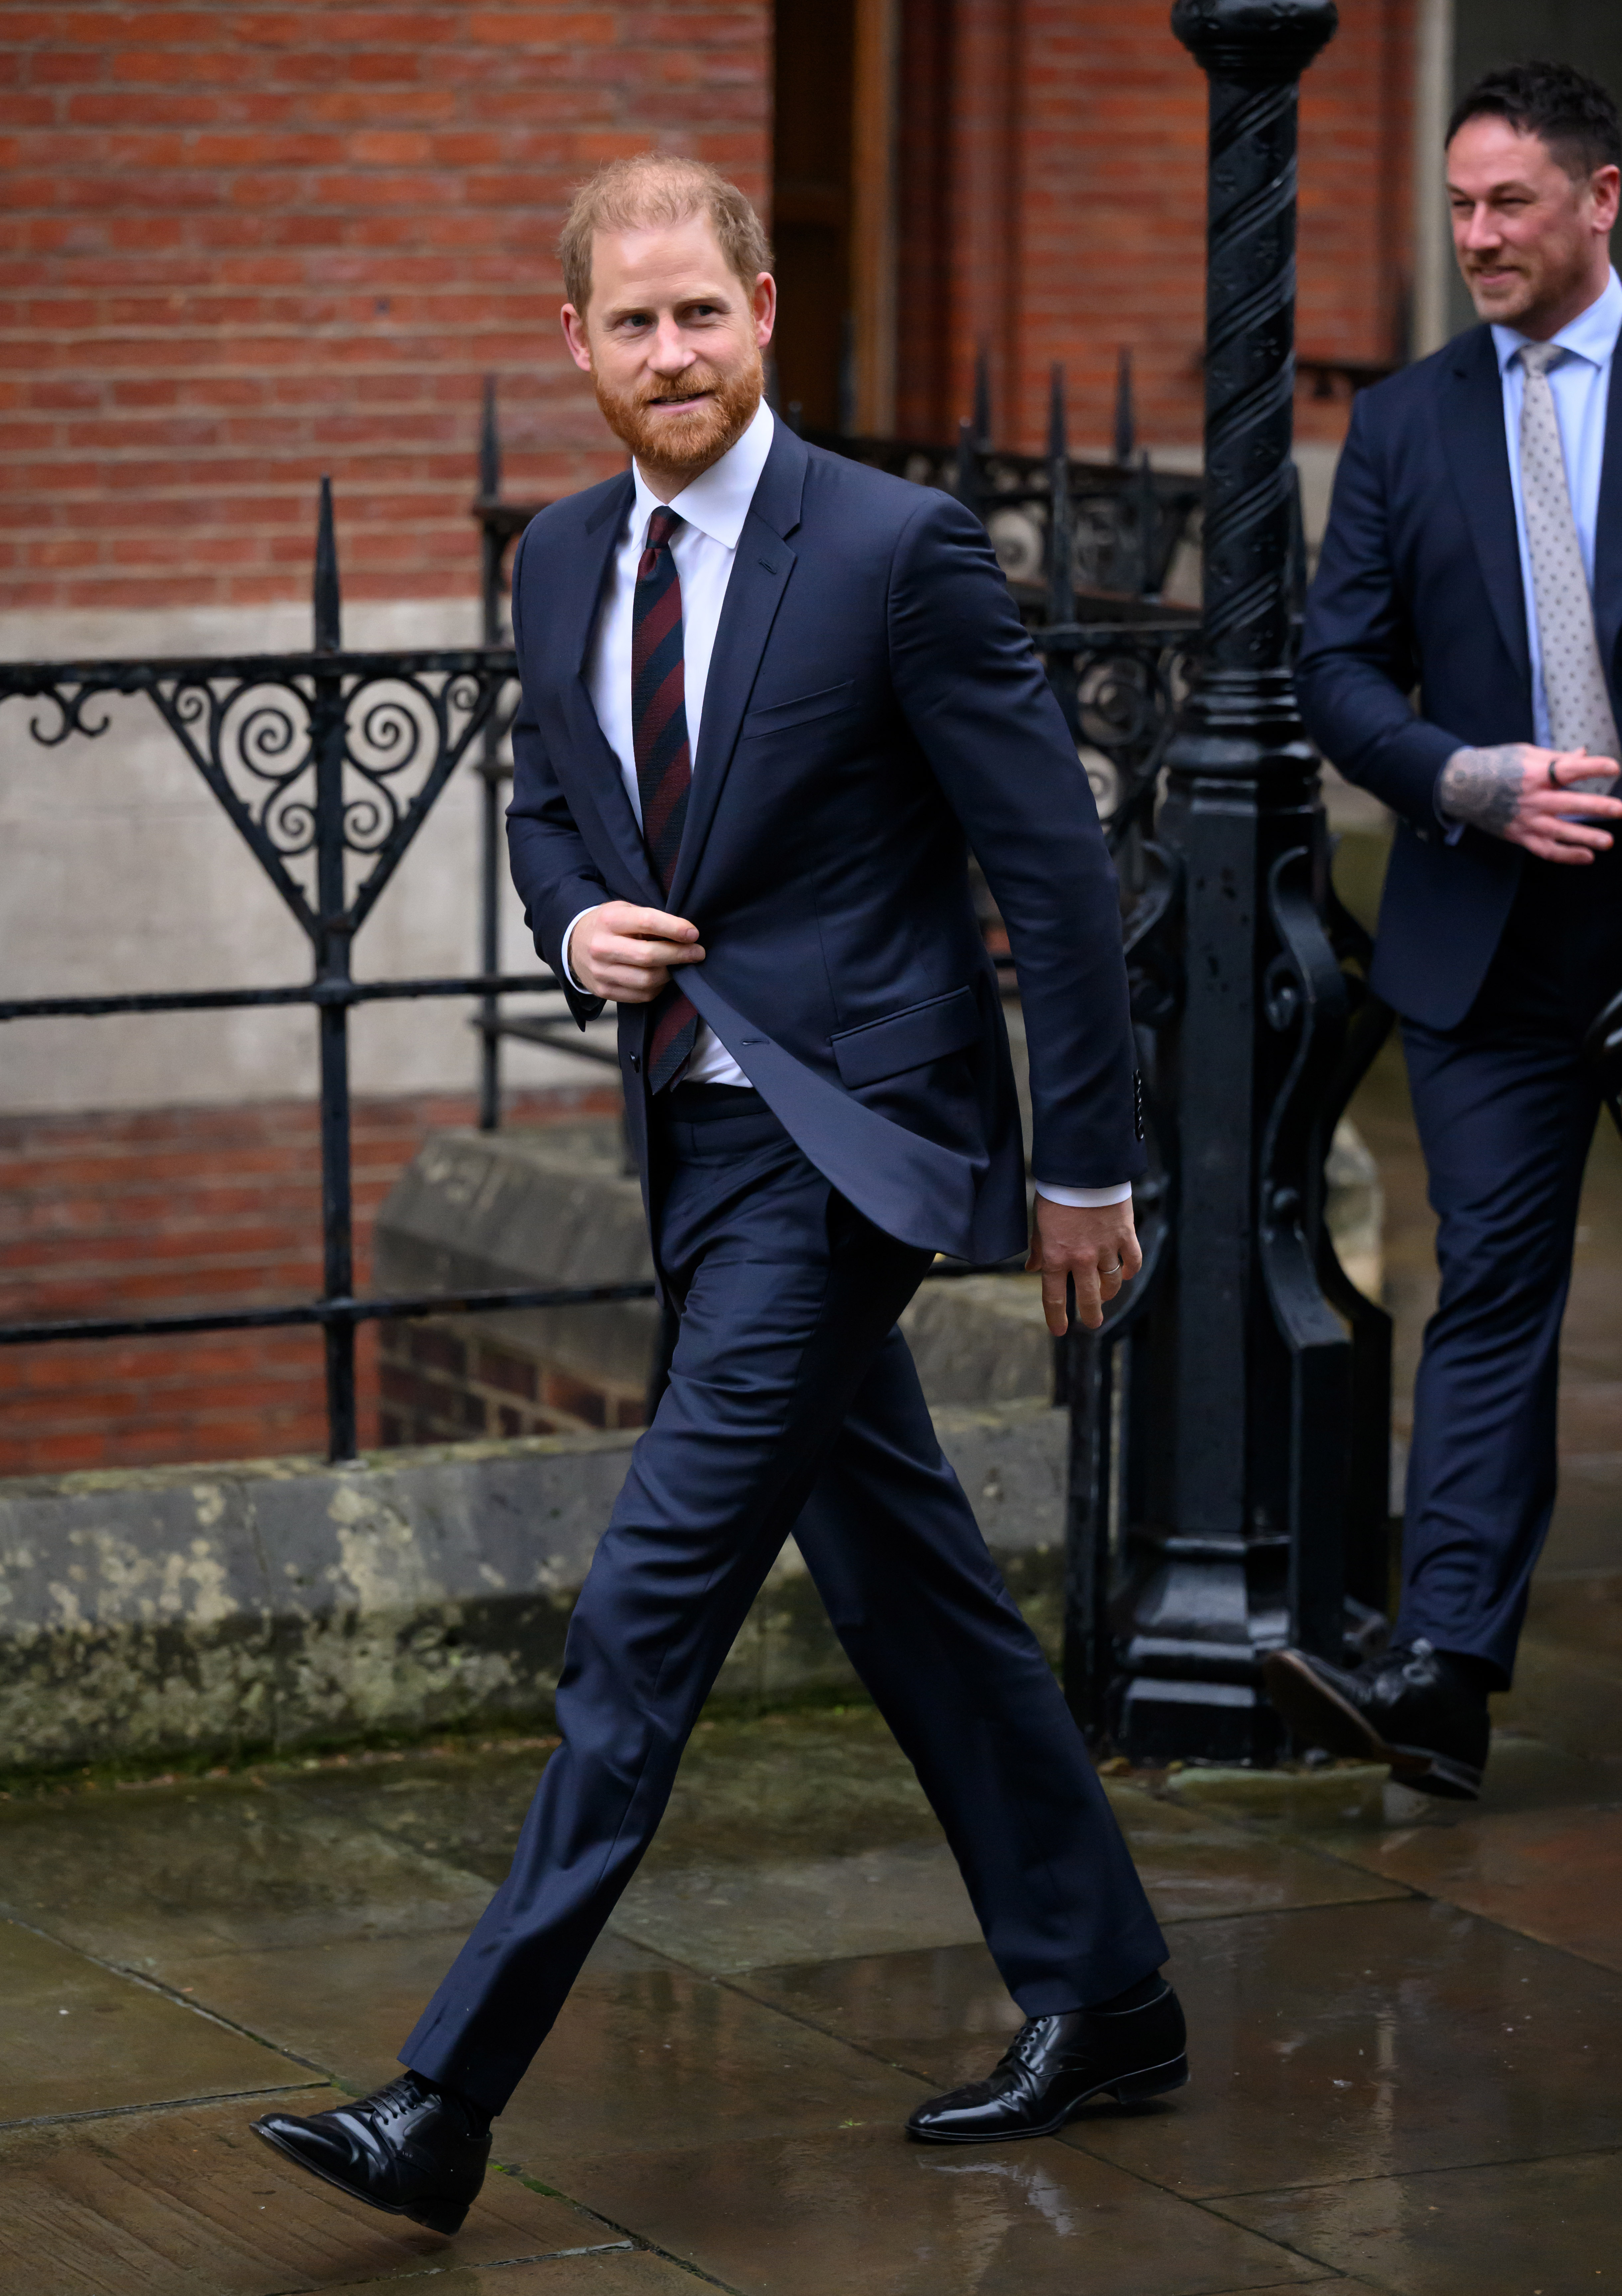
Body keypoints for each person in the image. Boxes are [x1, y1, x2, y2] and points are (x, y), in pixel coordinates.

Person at [250, 155, 1183, 2234]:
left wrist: (1084, 1161)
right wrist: (574, 926)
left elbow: (1051, 867)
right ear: (575, 344)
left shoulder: (898, 549)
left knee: (643, 1615)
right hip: (697, 1134)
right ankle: (1112, 1993)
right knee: (911, 1589)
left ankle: (446, 2099)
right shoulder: (566, 557)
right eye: (633, 322)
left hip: (846, 1153)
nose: (671, 353)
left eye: (703, 313)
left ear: (763, 315)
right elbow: (547, 811)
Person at [1265, 61, 1622, 1800]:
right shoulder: (1407, 423)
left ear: (1602, 200)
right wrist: (1464, 779)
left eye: (1511, 204)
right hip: (1490, 936)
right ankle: (1445, 1677)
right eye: (1460, 206)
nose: (1477, 236)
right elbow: (1335, 666)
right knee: (1487, 1294)